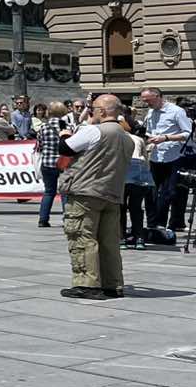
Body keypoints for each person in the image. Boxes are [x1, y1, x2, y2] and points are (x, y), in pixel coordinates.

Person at [58, 94, 134, 299]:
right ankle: (113, 284)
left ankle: (87, 284)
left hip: (85, 192)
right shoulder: (127, 138)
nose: (92, 112)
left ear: (102, 111)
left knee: (82, 237)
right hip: (112, 194)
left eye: (93, 109)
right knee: (110, 242)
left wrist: (64, 134)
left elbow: (65, 148)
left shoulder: (94, 131)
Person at [141, 87, 192, 234]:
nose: (146, 104)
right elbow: (150, 131)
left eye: (148, 100)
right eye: (144, 101)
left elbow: (187, 133)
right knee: (150, 192)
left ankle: (161, 223)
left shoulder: (176, 111)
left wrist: (166, 138)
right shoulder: (151, 112)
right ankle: (152, 223)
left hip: (173, 157)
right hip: (155, 156)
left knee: (168, 193)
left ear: (158, 96)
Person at [124, 117, 154, 251]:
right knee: (136, 207)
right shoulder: (138, 139)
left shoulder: (117, 137)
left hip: (124, 173)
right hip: (139, 174)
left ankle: (121, 238)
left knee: (121, 207)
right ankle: (139, 238)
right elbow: (146, 160)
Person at [35, 101, 67, 227]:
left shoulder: (43, 127)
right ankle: (67, 218)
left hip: (47, 163)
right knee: (65, 192)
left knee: (49, 192)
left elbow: (39, 146)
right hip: (63, 162)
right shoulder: (67, 126)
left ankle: (43, 219)